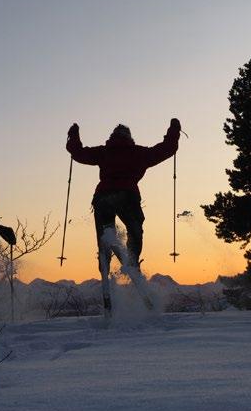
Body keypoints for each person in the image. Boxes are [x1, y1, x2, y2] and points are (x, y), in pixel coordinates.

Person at [66, 119, 181, 312]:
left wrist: (73, 136)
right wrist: (174, 130)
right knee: (135, 229)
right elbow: (167, 149)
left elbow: (78, 153)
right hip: (128, 196)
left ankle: (106, 260)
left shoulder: (104, 152)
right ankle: (132, 260)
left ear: (113, 137)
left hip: (103, 198)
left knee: (105, 236)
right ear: (129, 137)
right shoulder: (139, 153)